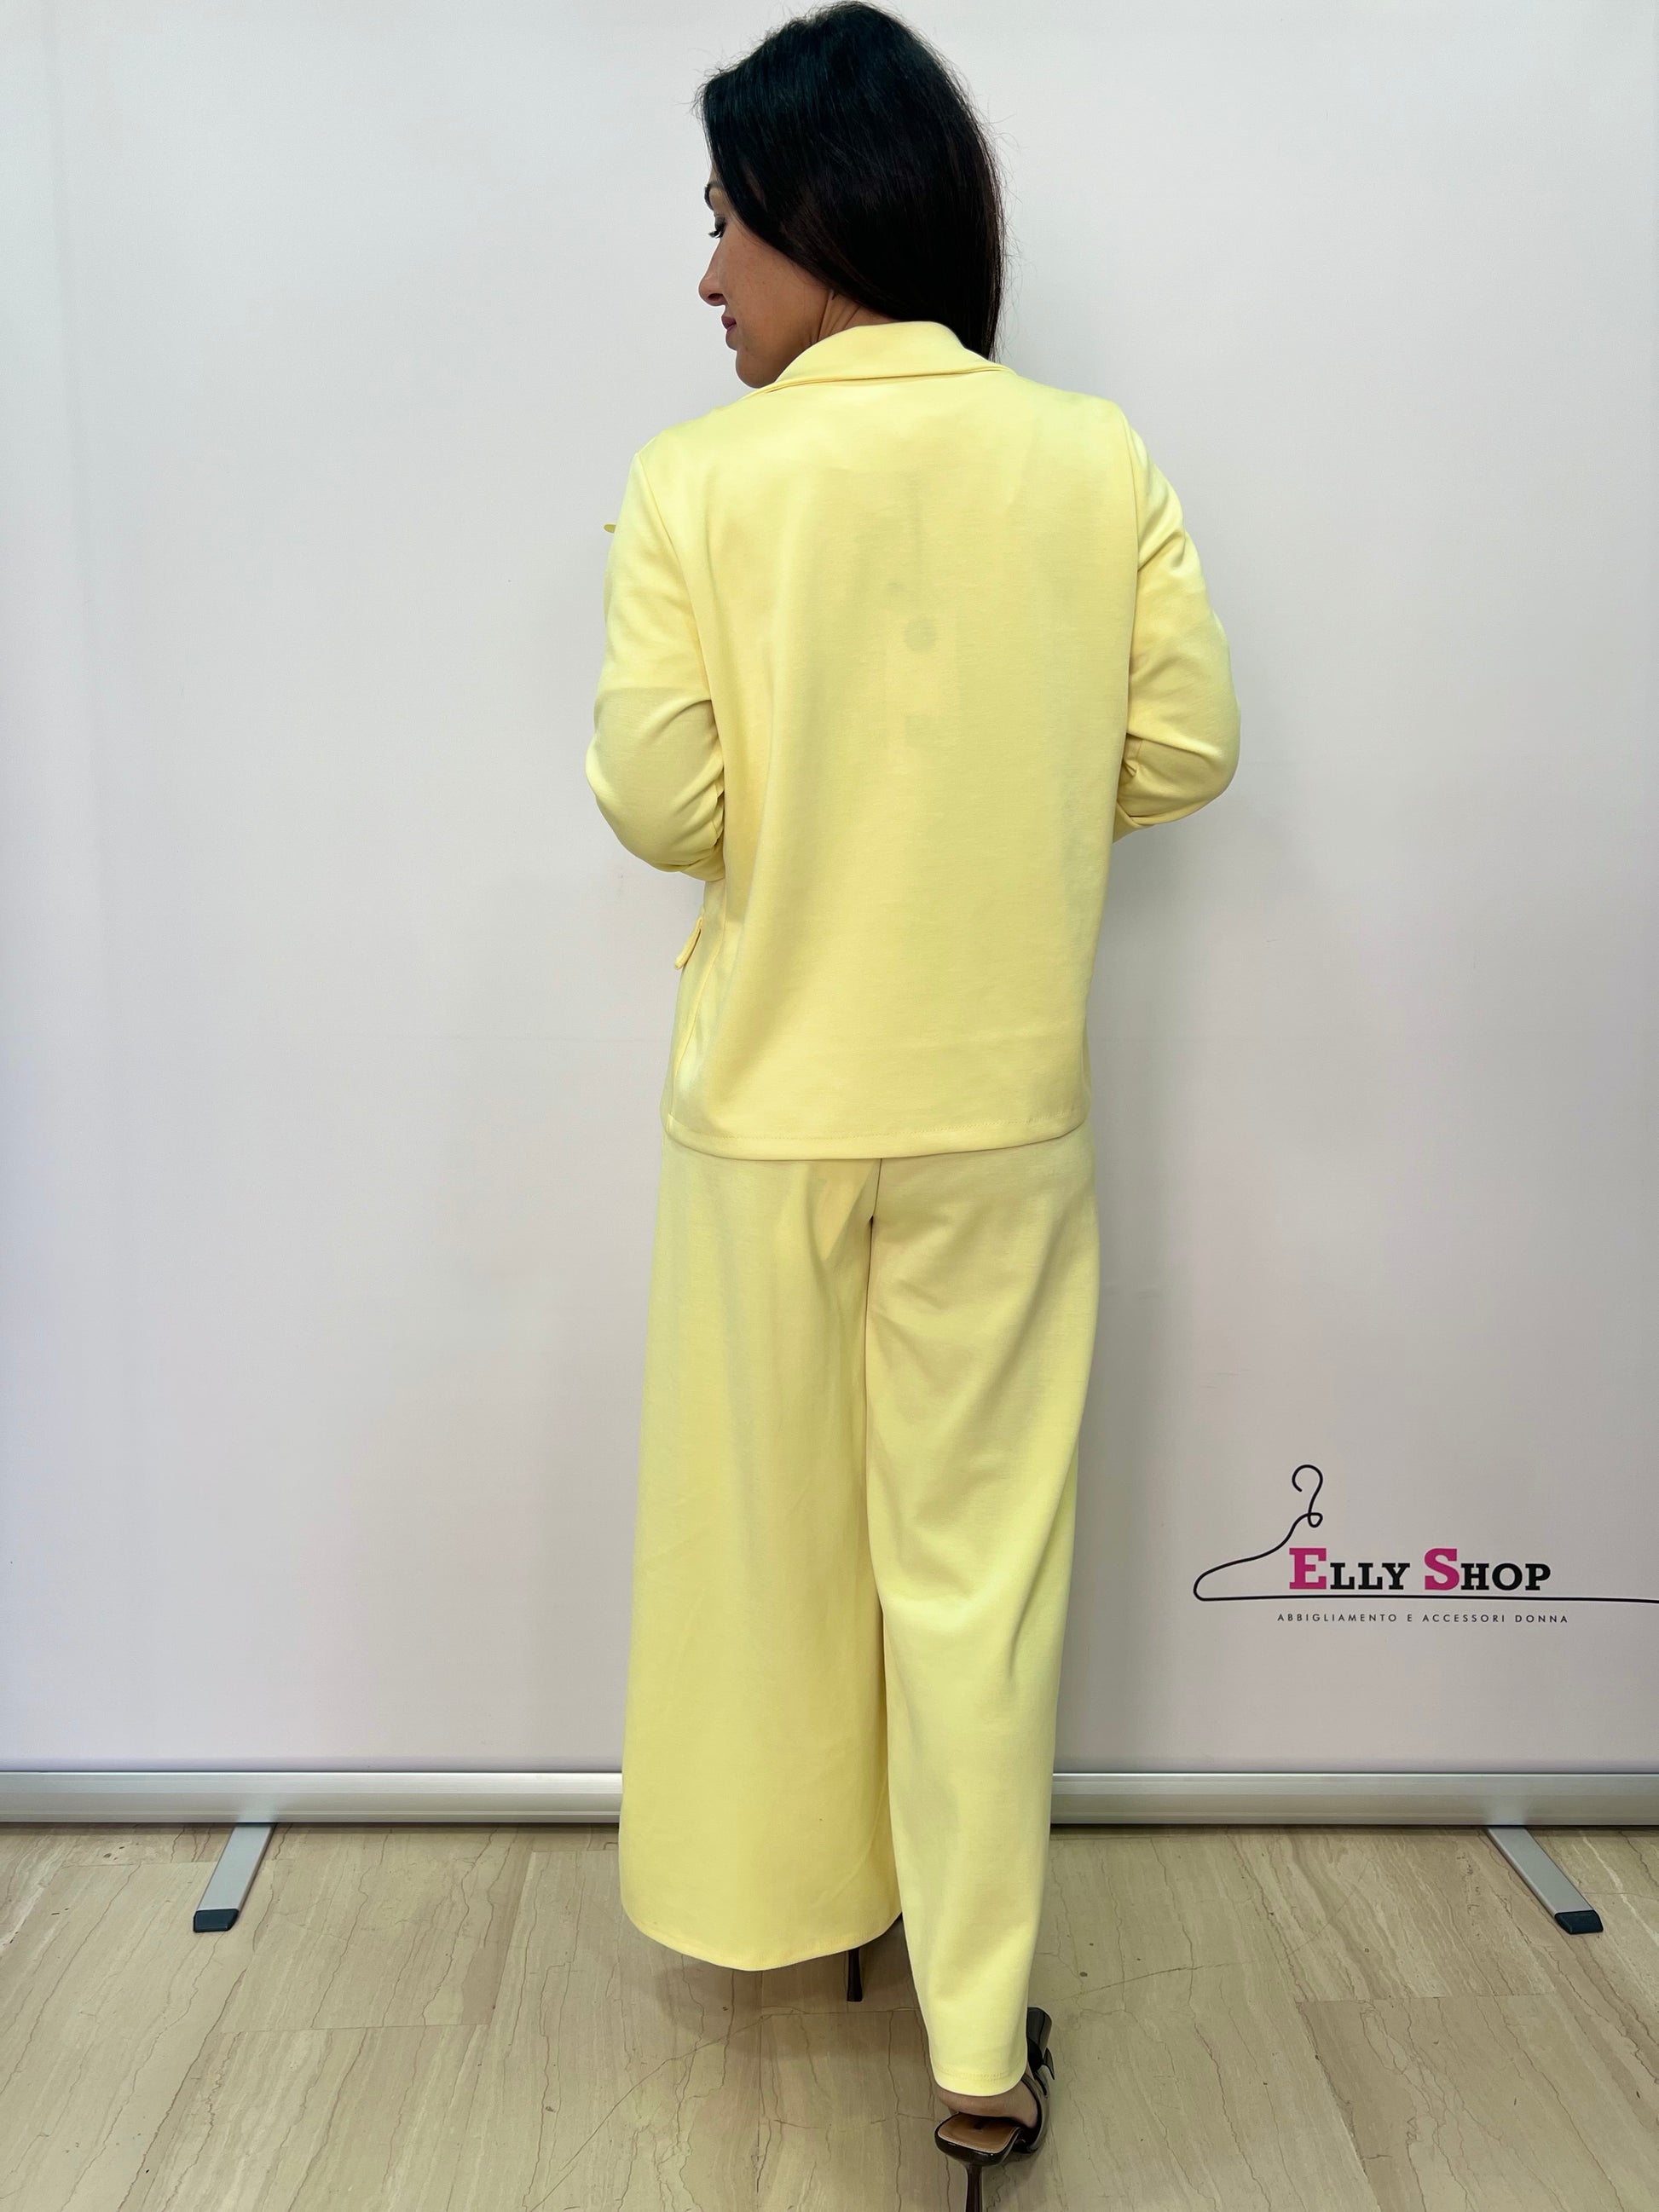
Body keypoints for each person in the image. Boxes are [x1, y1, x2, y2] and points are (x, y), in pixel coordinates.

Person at [584, 4, 1240, 2202]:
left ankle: (801, 1915)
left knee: (766, 1556)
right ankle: (977, 2049)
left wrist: (813, 821)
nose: (706, 278)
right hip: (997, 1108)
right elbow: (1184, 751)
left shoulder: (697, 480)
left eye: (721, 226)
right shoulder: (1092, 457)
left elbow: (659, 802)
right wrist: (1003, 818)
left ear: (815, 216)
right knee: (978, 1579)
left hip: (769, 1104)